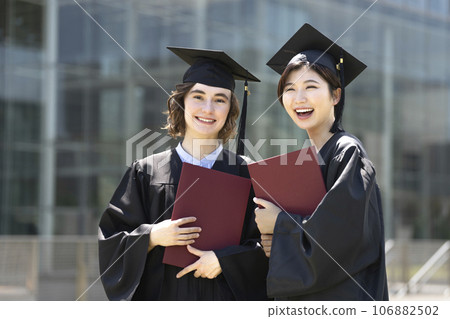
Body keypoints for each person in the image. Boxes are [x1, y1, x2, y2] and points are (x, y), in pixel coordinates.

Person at [98, 47, 268, 301]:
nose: (208, 108)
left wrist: (227, 261)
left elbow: (269, 247)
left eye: (220, 99)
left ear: (230, 110)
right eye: (198, 96)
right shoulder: (146, 172)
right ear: (181, 102)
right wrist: (152, 236)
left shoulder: (248, 174)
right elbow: (111, 242)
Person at [253, 24, 389, 300]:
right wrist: (275, 240)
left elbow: (341, 240)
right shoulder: (308, 157)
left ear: (336, 95)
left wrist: (279, 225)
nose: (298, 98)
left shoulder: (347, 152)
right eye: (289, 89)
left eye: (311, 87)